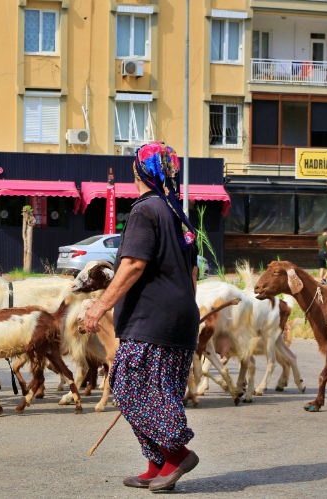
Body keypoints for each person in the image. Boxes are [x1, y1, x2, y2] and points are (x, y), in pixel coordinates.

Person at [83, 142, 200, 492]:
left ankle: (177, 455)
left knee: (128, 387)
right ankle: (158, 466)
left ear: (137, 171)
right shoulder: (177, 213)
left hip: (152, 322)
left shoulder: (144, 210)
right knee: (160, 392)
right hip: (180, 321)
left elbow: (134, 264)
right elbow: (192, 273)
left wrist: (98, 306)